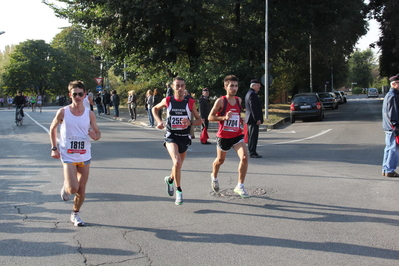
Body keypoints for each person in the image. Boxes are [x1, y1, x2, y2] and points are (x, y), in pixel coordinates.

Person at [49, 80, 101, 226]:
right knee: (73, 188)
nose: (77, 97)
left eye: (80, 94)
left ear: (85, 95)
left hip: (84, 155)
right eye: (74, 94)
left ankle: (75, 213)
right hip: (68, 154)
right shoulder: (63, 112)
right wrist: (54, 148)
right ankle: (66, 186)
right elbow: (52, 128)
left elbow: (98, 133)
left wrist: (95, 136)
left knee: (82, 188)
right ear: (69, 95)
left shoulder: (89, 114)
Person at [152, 77, 202, 205]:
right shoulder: (168, 100)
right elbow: (154, 109)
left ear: (185, 87)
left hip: (184, 137)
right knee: (177, 161)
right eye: (177, 86)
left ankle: (169, 180)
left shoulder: (190, 102)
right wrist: (159, 122)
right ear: (173, 87)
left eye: (182, 86)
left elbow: (199, 120)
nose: (180, 88)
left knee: (178, 165)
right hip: (171, 136)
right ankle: (179, 191)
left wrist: (190, 122)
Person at [208, 75, 250, 198]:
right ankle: (214, 177)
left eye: (236, 86)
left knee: (245, 157)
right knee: (220, 161)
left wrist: (240, 120)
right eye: (231, 86)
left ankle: (240, 186)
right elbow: (210, 117)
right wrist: (224, 118)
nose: (234, 88)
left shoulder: (239, 100)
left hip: (237, 135)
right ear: (225, 87)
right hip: (223, 136)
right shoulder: (221, 101)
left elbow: (236, 116)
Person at [382, 74, 399, 177]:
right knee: (394, 149)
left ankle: (386, 168)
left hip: (389, 127)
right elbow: (393, 113)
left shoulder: (390, 95)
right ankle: (389, 170)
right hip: (393, 127)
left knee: (389, 148)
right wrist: (396, 125)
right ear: (394, 84)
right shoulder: (393, 96)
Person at [245, 79, 264, 158]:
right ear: (253, 86)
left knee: (252, 136)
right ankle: (252, 152)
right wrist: (257, 119)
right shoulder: (252, 94)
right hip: (253, 119)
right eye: (257, 85)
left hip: (251, 119)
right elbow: (253, 108)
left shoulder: (250, 93)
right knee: (253, 136)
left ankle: (253, 151)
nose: (259, 87)